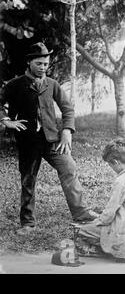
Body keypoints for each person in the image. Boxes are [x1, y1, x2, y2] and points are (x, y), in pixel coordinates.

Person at [0, 42, 97, 235]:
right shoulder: (15, 84)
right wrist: (5, 120)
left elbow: (67, 108)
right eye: (39, 63)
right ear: (29, 63)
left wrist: (67, 130)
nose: (43, 67)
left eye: (46, 64)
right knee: (28, 179)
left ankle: (81, 213)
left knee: (69, 168)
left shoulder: (52, 85)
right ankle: (27, 223)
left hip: (52, 140)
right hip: (28, 142)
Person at [76, 140, 125, 262]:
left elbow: (109, 214)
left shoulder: (122, 181)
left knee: (82, 231)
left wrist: (96, 221)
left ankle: (111, 250)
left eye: (110, 165)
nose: (111, 168)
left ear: (115, 162)